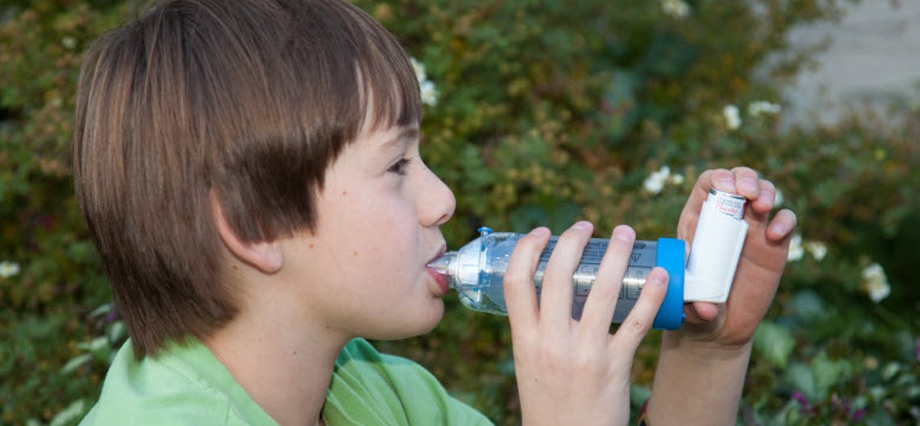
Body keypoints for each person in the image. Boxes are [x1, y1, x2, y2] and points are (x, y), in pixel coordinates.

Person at [72, 0, 797, 424]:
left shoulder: (377, 391)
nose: (443, 199)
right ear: (257, 224)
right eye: (396, 166)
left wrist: (708, 350)